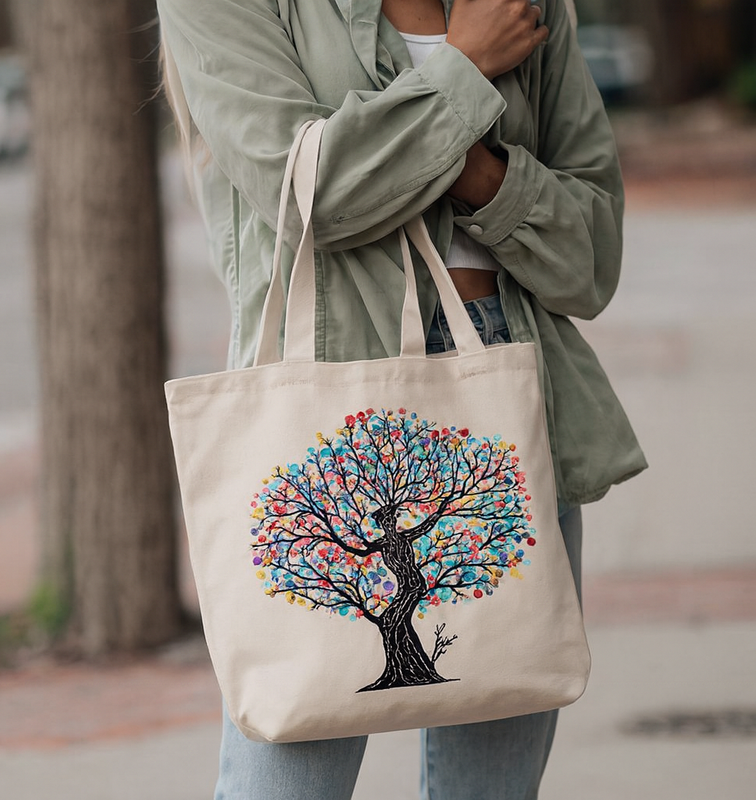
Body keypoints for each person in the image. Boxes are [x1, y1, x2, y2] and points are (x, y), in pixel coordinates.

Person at [156, 1, 647, 797]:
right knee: (288, 771)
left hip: (506, 383)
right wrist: (464, 72)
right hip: (329, 399)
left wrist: (465, 163)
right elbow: (318, 193)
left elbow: (590, 257)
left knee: (495, 774)